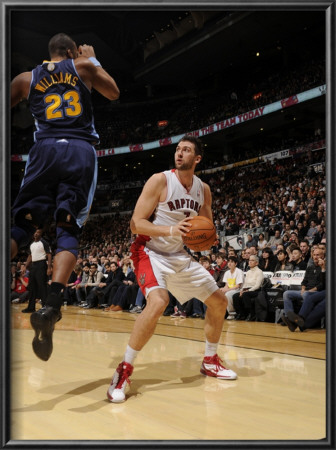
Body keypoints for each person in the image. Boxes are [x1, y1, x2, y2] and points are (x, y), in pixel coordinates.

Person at [10, 33, 120, 361]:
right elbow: (114, 93)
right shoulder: (84, 65)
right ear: (72, 52)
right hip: (79, 150)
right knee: (67, 227)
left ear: (49, 53)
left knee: (22, 225)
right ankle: (52, 305)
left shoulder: (26, 78)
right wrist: (94, 58)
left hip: (43, 150)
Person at [107, 135, 237, 403]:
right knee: (158, 302)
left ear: (197, 158)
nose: (179, 153)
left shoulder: (204, 190)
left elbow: (206, 229)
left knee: (219, 301)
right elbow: (135, 224)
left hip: (178, 254)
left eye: (186, 150)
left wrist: (205, 240)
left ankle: (210, 360)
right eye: (177, 149)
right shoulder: (160, 180)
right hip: (149, 251)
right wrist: (170, 229)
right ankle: (123, 370)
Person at [281, 248, 325, 330]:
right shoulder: (310, 267)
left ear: (322, 256)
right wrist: (303, 289)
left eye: (318, 255)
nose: (315, 257)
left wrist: (310, 290)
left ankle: (296, 320)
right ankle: (289, 318)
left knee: (306, 295)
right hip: (306, 291)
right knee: (286, 294)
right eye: (314, 255)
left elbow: (322, 285)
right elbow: (304, 281)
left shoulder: (324, 268)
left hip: (316, 292)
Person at [22, 229, 52, 312]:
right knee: (32, 287)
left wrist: (49, 268)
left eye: (38, 232)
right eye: (35, 232)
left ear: (41, 234)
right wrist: (25, 266)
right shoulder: (31, 244)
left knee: (42, 286)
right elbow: (30, 256)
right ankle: (31, 307)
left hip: (41, 264)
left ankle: (45, 307)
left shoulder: (44, 243)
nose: (36, 234)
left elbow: (49, 255)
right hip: (33, 265)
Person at [232, 255, 264, 321]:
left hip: (256, 290)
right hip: (247, 289)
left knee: (245, 295)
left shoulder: (259, 272)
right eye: (249, 260)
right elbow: (245, 284)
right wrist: (241, 290)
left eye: (252, 260)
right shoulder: (248, 272)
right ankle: (241, 314)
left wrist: (247, 291)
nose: (250, 262)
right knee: (235, 296)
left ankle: (251, 314)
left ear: (256, 263)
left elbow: (257, 286)